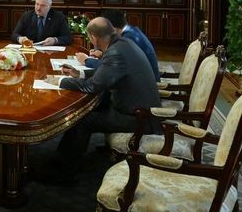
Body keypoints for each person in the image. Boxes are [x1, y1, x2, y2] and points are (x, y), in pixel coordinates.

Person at [42, 17, 161, 185]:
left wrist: (60, 81)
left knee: (82, 120)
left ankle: (63, 173)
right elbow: (108, 73)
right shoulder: (123, 44)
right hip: (137, 109)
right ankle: (64, 161)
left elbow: (93, 86)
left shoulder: (116, 52)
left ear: (94, 38)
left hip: (139, 118)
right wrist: (79, 73)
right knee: (91, 109)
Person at [75, 9, 161, 81]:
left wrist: (86, 60)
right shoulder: (131, 31)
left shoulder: (128, 40)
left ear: (113, 28)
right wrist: (103, 54)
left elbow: (110, 67)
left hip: (144, 83)